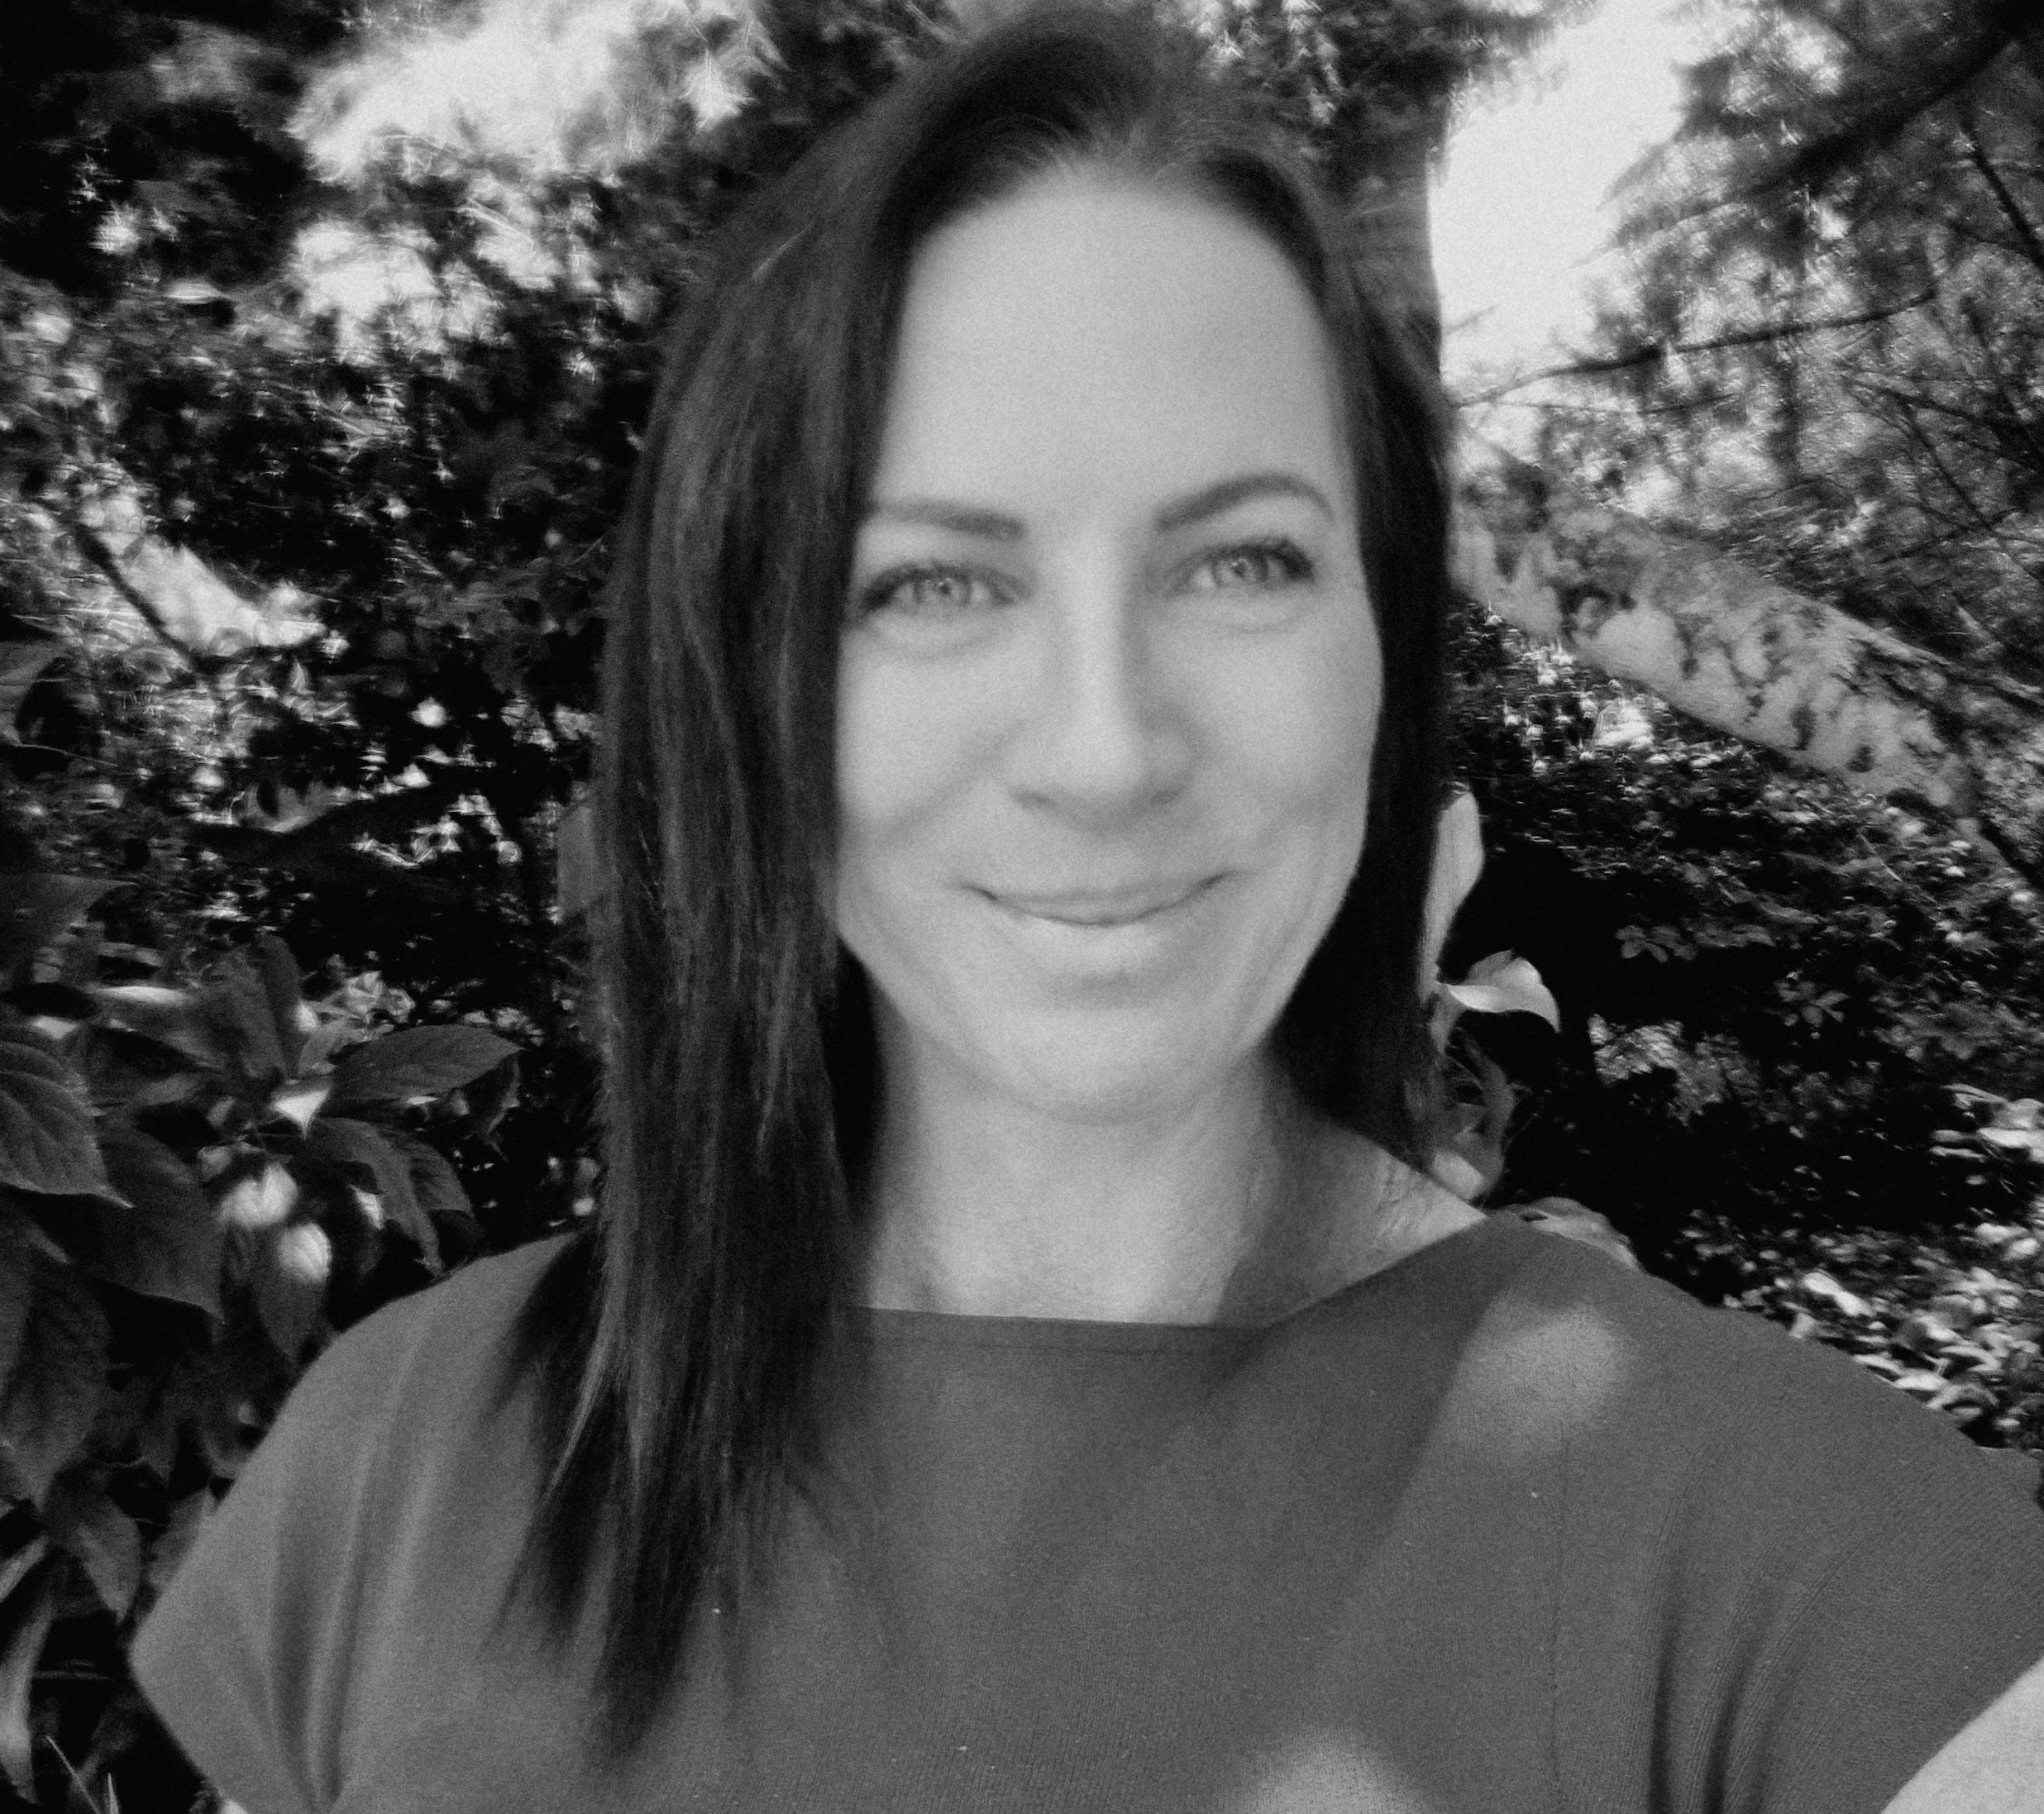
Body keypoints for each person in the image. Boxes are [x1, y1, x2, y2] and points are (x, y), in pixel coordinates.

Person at [132, 6, 2044, 1810]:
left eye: (1243, 561)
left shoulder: (1820, 1575)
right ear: (751, 696)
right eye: (934, 583)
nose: (1107, 749)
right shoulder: (394, 1469)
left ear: (1383, 658)